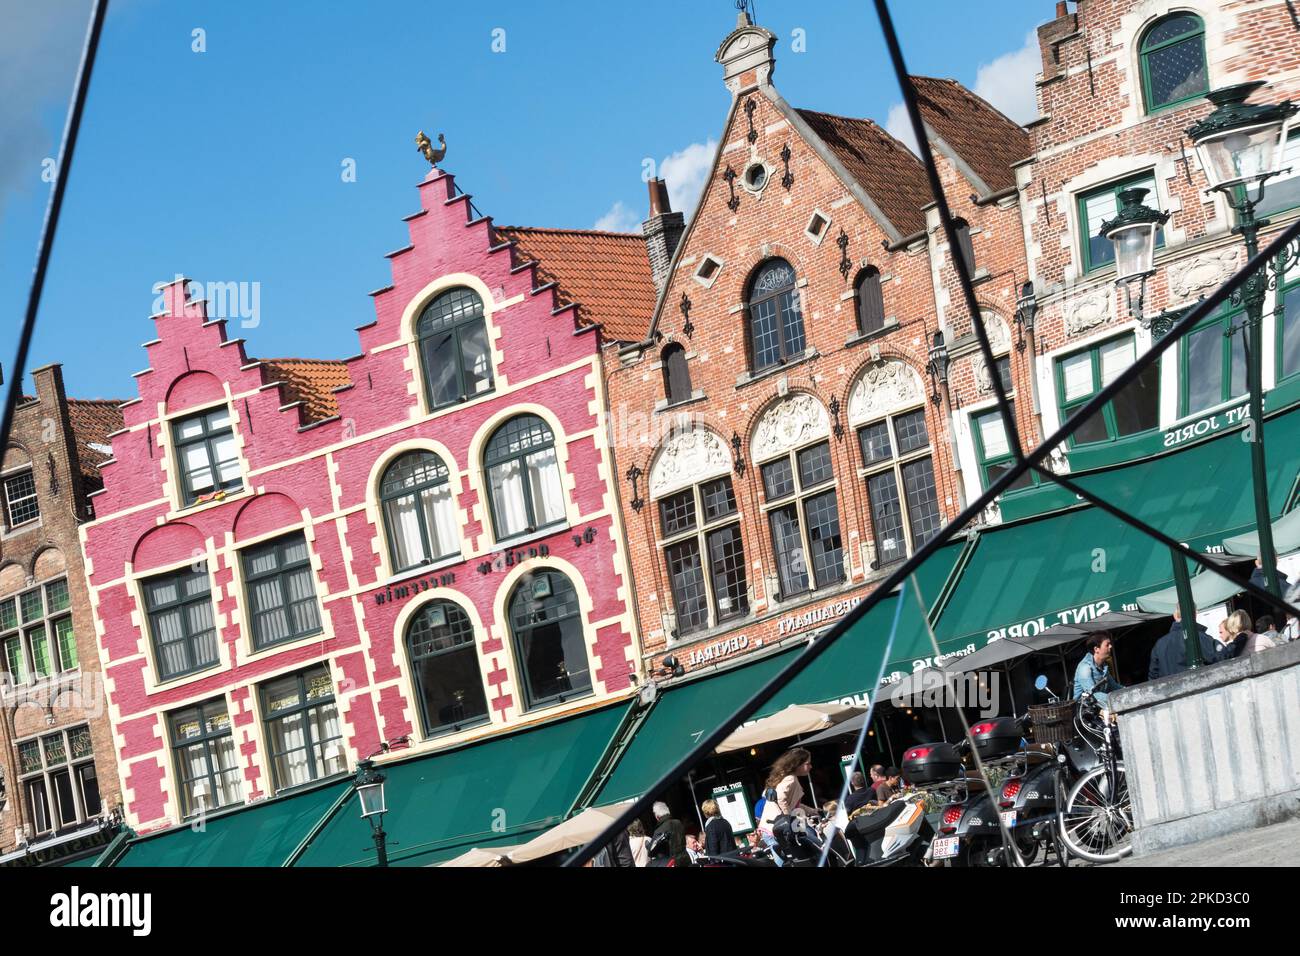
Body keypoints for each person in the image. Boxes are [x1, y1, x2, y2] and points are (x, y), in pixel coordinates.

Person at [757, 748, 818, 864]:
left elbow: (795, 804)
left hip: (773, 829)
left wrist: (813, 811)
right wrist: (788, 819)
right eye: (807, 764)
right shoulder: (791, 779)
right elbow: (780, 798)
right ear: (797, 764)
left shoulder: (788, 778)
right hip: (777, 829)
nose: (811, 766)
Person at [1149, 607, 1223, 680]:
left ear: (1175, 615)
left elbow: (1153, 676)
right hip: (1198, 686)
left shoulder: (1160, 644)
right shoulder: (1198, 637)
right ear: (1195, 614)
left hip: (1171, 690)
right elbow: (1222, 656)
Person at [1073, 632, 1122, 707]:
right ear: (1096, 649)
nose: (1111, 646)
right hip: (1084, 713)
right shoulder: (1085, 668)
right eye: (1107, 644)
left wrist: (1128, 691)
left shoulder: (1103, 666)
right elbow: (1092, 695)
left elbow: (1114, 687)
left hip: (1099, 708)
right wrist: (1117, 699)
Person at [651, 801, 690, 868]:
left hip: (672, 863)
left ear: (657, 817)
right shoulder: (678, 822)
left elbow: (652, 851)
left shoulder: (659, 830)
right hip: (685, 858)